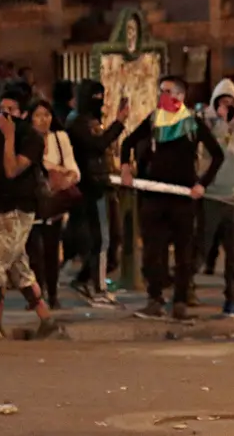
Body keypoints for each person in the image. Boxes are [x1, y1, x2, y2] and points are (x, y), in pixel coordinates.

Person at [121, 76, 225, 320]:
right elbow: (128, 143)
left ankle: (180, 301)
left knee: (183, 253)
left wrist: (202, 184)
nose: (164, 96)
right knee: (152, 251)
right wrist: (125, 168)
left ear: (181, 96)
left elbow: (217, 155)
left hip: (182, 198)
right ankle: (154, 298)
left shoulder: (192, 123)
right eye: (161, 91)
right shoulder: (154, 120)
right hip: (154, 196)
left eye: (168, 91)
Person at [0, 89, 62, 340]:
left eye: (11, 110)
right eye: (2, 109)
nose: (5, 115)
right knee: (18, 267)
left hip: (20, 209)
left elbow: (12, 169)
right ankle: (47, 320)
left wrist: (10, 137)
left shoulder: (31, 138)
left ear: (23, 114)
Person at [196, 78, 234, 317]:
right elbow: (214, 151)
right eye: (223, 102)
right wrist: (222, 126)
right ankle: (183, 290)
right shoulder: (206, 122)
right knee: (201, 249)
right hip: (211, 195)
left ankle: (233, 297)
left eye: (232, 103)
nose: (227, 107)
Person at [65, 79, 129, 307]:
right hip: (89, 187)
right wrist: (118, 123)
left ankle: (85, 280)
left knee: (110, 238)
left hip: (102, 184)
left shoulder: (91, 119)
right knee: (101, 239)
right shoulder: (77, 122)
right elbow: (96, 145)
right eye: (95, 97)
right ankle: (98, 287)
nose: (99, 102)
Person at [26, 99, 79, 310]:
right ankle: (36, 296)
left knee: (51, 249)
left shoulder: (60, 138)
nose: (43, 120)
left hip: (54, 201)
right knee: (34, 251)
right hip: (32, 201)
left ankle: (53, 295)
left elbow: (73, 169)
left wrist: (63, 178)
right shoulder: (26, 139)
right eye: (38, 115)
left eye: (46, 115)